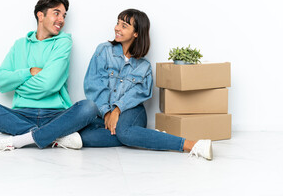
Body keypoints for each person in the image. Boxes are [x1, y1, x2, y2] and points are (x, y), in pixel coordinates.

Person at [78, 9, 213, 160]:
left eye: (124, 25)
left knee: (124, 132)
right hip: (103, 111)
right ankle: (144, 136)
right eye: (117, 23)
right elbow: (94, 84)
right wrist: (107, 113)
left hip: (132, 111)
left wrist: (116, 110)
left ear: (136, 33)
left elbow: (138, 94)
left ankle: (191, 145)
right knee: (84, 137)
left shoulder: (144, 66)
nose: (117, 28)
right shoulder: (104, 51)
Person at [0, 0, 98, 152]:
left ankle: (19, 140)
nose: (61, 20)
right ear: (40, 15)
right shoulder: (20, 45)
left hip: (57, 116)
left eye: (64, 15)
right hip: (20, 115)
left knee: (89, 107)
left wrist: (18, 84)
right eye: (56, 13)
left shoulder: (63, 42)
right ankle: (56, 136)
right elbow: (0, 82)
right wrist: (29, 72)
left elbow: (47, 85)